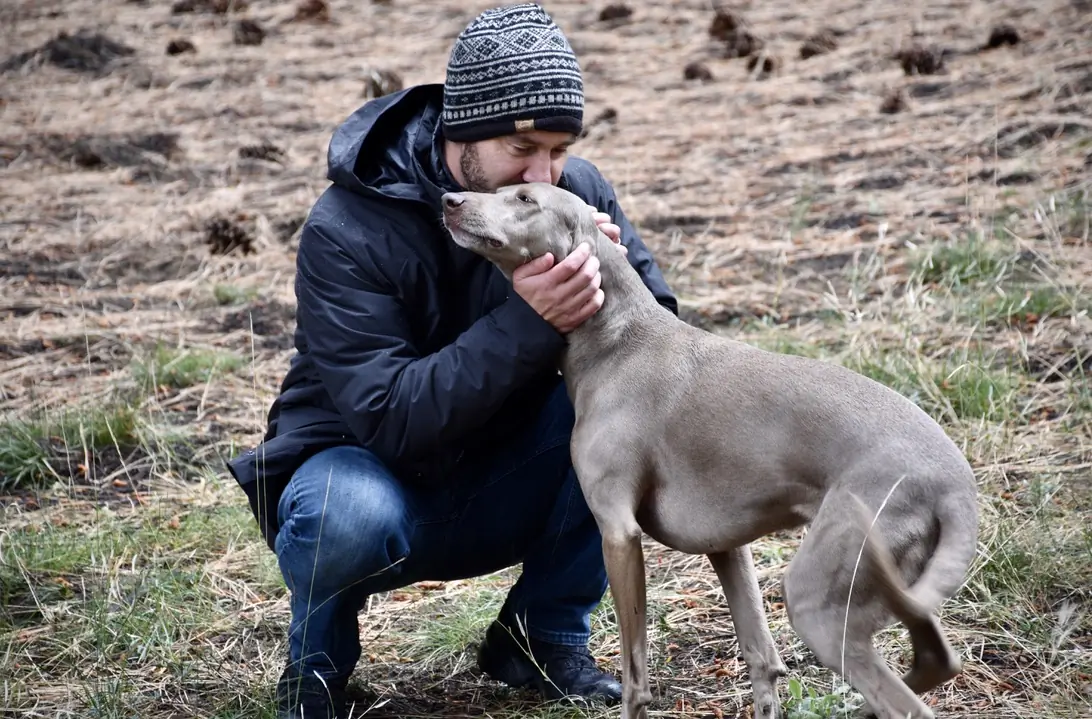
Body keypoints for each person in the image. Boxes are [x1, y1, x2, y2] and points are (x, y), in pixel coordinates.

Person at [225, 4, 678, 718]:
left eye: (559, 150)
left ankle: (540, 637)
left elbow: (666, 362)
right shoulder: (345, 229)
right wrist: (533, 319)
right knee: (345, 516)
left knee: (629, 419)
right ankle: (317, 666)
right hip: (366, 474)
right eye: (522, 148)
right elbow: (390, 417)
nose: (544, 172)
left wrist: (613, 291)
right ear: (459, 126)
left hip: (506, 474)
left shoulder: (569, 196)